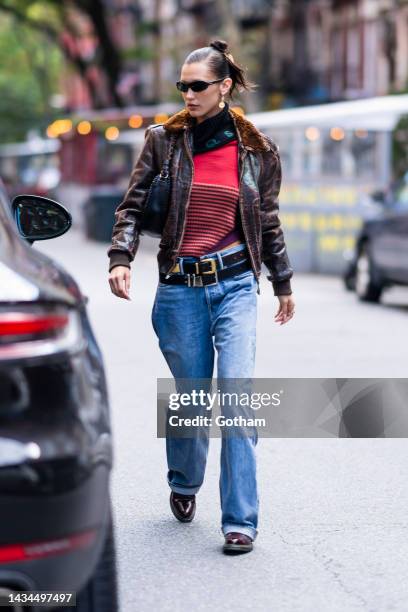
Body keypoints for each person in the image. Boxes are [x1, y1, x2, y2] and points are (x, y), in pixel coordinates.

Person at [108, 39, 295, 555]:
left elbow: (268, 219)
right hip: (180, 289)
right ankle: (184, 480)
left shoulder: (257, 149)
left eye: (197, 86)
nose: (187, 94)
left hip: (235, 283)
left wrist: (282, 282)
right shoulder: (162, 141)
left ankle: (240, 520)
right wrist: (120, 257)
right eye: (182, 86)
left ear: (224, 87)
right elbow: (132, 206)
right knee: (192, 395)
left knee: (236, 399)